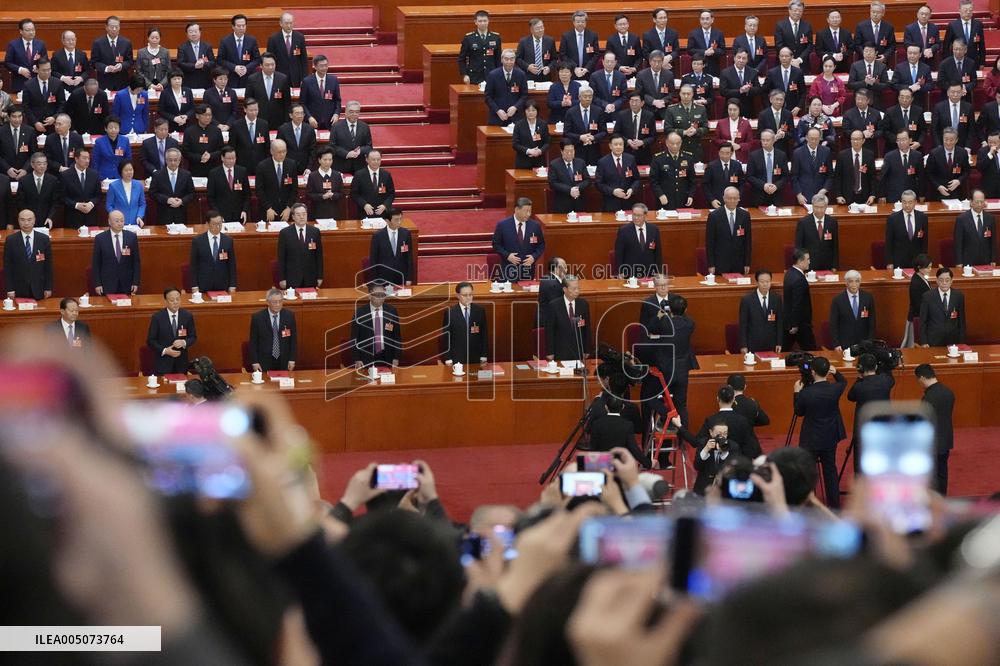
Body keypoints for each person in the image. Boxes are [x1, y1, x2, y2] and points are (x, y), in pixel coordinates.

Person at [793, 356, 847, 508]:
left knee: (808, 472)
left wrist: (796, 392)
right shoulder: (835, 389)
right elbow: (843, 382)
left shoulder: (806, 393)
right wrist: (836, 372)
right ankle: (834, 505)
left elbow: (799, 412)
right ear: (827, 371)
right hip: (830, 436)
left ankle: (808, 504)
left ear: (813, 372)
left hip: (811, 439)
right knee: (830, 470)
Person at [846, 353, 895, 473]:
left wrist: (859, 378)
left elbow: (850, 397)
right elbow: (890, 375)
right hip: (884, 427)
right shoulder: (886, 380)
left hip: (863, 429)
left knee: (861, 460)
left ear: (860, 368)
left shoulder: (859, 386)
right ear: (876, 367)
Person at [915, 363, 955, 494]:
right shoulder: (948, 392)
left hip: (932, 442)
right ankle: (941, 497)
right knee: (942, 472)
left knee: (931, 475)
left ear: (922, 378)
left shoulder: (928, 398)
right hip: (945, 439)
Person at [589, 395, 651, 468]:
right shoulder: (627, 425)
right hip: (620, 465)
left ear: (606, 407)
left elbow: (593, 448)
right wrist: (648, 463)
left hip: (601, 464)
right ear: (622, 407)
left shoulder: (596, 424)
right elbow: (634, 449)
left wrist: (592, 466)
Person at [3, 208, 52, 300]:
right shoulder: (11, 240)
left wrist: (48, 287)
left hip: (39, 288)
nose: (26, 223)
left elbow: (48, 266)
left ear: (34, 220)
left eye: (29, 220)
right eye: (22, 220)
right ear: (18, 221)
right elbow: (8, 267)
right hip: (18, 289)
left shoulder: (44, 239)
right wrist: (10, 289)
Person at [491, 197, 544, 282]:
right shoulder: (503, 225)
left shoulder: (535, 226)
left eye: (530, 211)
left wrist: (534, 257)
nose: (528, 214)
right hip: (508, 270)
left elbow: (541, 245)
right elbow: (496, 244)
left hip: (527, 271)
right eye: (526, 211)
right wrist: (507, 255)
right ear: (516, 209)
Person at [147, 287, 197, 375]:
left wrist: (184, 342)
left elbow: (193, 337)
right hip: (163, 364)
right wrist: (165, 350)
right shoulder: (157, 317)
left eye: (178, 299)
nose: (175, 302)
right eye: (172, 300)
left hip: (181, 364)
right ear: (166, 301)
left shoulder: (187, 316)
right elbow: (151, 341)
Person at [352, 282, 401, 369]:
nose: (381, 298)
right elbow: (354, 338)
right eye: (377, 295)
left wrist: (396, 357)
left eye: (383, 295)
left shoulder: (391, 311)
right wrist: (357, 359)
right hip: (366, 357)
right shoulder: (360, 313)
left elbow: (397, 336)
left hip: (387, 356)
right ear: (369, 296)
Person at [91, 210, 140, 295]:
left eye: (122, 220)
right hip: (107, 283)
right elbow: (96, 263)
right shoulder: (100, 238)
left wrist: (135, 282)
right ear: (109, 222)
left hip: (127, 283)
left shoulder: (131, 237)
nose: (120, 223)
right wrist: (97, 284)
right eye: (117, 221)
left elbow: (136, 262)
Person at [705, 186, 751, 275]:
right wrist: (711, 265)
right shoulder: (714, 216)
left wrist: (747, 263)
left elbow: (747, 241)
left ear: (739, 199)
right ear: (724, 198)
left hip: (739, 263)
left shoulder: (745, 215)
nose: (732, 201)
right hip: (720, 263)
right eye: (729, 198)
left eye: (735, 198)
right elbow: (709, 243)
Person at [249, 288, 297, 373]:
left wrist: (292, 359)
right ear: (268, 302)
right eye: (274, 302)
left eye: (280, 301)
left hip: (284, 361)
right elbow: (253, 342)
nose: (278, 304)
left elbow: (293, 340)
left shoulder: (289, 316)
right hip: (264, 361)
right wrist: (255, 361)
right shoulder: (257, 318)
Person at [277, 203, 324, 289]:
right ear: (293, 217)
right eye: (298, 215)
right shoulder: (285, 233)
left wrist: (320, 276)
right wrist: (282, 278)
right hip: (292, 278)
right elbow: (282, 258)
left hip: (310, 278)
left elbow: (319, 256)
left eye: (304, 214)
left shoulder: (315, 232)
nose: (302, 217)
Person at [545, 274, 590, 362]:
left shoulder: (583, 305)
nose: (577, 291)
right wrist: (550, 352)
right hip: (560, 351)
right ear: (565, 289)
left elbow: (586, 329)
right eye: (574, 289)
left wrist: (586, 350)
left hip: (578, 351)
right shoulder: (554, 305)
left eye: (578, 288)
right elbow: (550, 331)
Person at [190, 210, 237, 294]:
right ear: (207, 224)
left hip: (223, 284)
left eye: (220, 224)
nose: (218, 226)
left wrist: (232, 285)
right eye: (214, 224)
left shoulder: (228, 241)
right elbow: (194, 265)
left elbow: (231, 265)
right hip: (203, 284)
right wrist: (194, 286)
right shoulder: (198, 241)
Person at [443, 281, 488, 367]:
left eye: (470, 294)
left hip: (475, 356)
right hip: (457, 357)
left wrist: (484, 356)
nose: (468, 298)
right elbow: (446, 338)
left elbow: (484, 335)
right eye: (465, 295)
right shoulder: (450, 313)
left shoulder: (479, 311)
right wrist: (448, 358)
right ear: (458, 296)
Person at [830, 270, 876, 351]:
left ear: (860, 282)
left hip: (864, 344)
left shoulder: (868, 298)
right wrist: (836, 344)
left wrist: (870, 341)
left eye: (857, 281)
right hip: (845, 344)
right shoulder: (838, 300)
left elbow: (872, 322)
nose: (854, 285)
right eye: (851, 281)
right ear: (846, 283)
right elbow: (834, 324)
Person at [739, 270, 783, 354]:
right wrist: (743, 345)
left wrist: (779, 343)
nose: (765, 284)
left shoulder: (776, 299)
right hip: (752, 344)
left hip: (771, 344)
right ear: (757, 282)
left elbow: (779, 322)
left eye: (768, 281)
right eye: (762, 282)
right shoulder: (747, 300)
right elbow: (743, 325)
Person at [649, 131, 695, 210]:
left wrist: (691, 195)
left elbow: (692, 180)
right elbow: (653, 180)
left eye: (678, 143)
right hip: (665, 199)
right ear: (667, 143)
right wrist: (660, 194)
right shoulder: (658, 159)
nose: (675, 146)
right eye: (672, 143)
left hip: (683, 199)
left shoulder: (688, 157)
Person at [149, 148, 195, 226]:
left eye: (175, 160)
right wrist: (167, 200)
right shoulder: (157, 175)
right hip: (163, 215)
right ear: (166, 160)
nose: (173, 163)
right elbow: (152, 193)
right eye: (170, 160)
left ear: (179, 161)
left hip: (180, 215)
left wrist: (182, 201)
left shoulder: (186, 175)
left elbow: (192, 193)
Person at [920, 267, 965, 346]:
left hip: (953, 341)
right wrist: (924, 341)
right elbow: (923, 321)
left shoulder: (958, 296)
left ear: (951, 281)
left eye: (947, 280)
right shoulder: (928, 297)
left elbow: (961, 321)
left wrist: (962, 342)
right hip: (933, 340)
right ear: (937, 280)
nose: (944, 283)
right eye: (941, 280)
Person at [614, 203, 661, 278]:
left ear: (645, 216)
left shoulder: (654, 229)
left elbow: (658, 252)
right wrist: (621, 272)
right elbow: (619, 253)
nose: (636, 218)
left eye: (639, 215)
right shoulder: (624, 230)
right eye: (634, 215)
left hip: (649, 272)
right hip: (630, 272)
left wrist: (658, 271)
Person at [246, 53, 291, 131]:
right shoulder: (252, 79)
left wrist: (286, 122)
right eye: (267, 65)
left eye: (272, 64)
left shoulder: (283, 79)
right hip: (259, 119)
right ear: (261, 65)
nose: (270, 67)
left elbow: (287, 102)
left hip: (278, 120)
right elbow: (248, 100)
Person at [369, 207, 413, 286]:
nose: (399, 222)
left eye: (400, 219)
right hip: (383, 278)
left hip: (401, 277)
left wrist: (409, 278)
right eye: (396, 220)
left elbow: (409, 257)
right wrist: (375, 281)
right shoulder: (378, 236)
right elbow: (373, 259)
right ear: (387, 221)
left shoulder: (406, 234)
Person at [256, 139, 298, 223]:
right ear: (271, 151)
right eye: (279, 152)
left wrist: (289, 208)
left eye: (284, 151)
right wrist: (268, 208)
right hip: (268, 211)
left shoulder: (291, 164)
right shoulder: (262, 166)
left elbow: (294, 189)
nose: (282, 154)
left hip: (285, 211)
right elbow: (259, 190)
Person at [794, 193, 839, 270]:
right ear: (812, 206)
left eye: (822, 207)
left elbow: (835, 246)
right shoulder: (803, 223)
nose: (819, 210)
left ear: (826, 207)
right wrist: (802, 266)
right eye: (816, 207)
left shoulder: (832, 222)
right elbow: (799, 247)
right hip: (809, 266)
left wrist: (835, 266)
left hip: (827, 266)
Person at [562, 88, 606, 166]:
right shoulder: (571, 112)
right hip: (578, 149)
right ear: (579, 97)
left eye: (590, 96)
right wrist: (580, 137)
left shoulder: (598, 111)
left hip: (593, 150)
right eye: (585, 96)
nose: (588, 99)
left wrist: (594, 137)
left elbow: (604, 131)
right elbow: (566, 133)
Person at [595, 135, 639, 212]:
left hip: (628, 202)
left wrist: (632, 189)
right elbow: (599, 184)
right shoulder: (602, 162)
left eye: (621, 144)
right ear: (610, 146)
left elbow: (637, 179)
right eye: (616, 144)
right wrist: (613, 191)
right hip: (611, 203)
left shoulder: (631, 159)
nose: (618, 147)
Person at [207, 146, 251, 223]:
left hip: (239, 215)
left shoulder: (242, 171)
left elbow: (247, 194)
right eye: (229, 158)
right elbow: (211, 197)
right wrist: (218, 215)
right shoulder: (214, 173)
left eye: (233, 158)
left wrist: (244, 210)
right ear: (222, 158)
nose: (231, 161)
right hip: (222, 215)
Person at [692, 423, 740, 494]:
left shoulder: (733, 446)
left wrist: (724, 453)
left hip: (724, 488)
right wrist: (705, 450)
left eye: (725, 434)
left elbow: (734, 470)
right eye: (719, 434)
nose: (722, 437)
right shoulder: (703, 443)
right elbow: (697, 466)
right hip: (703, 487)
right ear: (711, 432)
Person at [59, 147, 101, 228]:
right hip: (73, 217)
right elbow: (62, 197)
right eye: (84, 158)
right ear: (76, 159)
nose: (87, 161)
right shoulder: (65, 175)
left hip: (90, 217)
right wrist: (77, 205)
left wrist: (91, 204)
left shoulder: (94, 174)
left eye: (88, 158)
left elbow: (98, 195)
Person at [217, 14, 261, 89]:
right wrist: (234, 67)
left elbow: (257, 59)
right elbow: (220, 60)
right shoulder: (225, 41)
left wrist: (246, 68)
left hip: (247, 78)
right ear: (233, 26)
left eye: (243, 26)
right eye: (239, 26)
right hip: (231, 78)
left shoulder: (252, 40)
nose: (241, 28)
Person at [484, 50, 528, 126]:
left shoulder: (521, 75)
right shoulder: (493, 75)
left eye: (511, 59)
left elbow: (524, 95)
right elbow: (487, 97)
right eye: (506, 59)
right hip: (497, 118)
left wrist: (515, 107)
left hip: (516, 118)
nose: (509, 62)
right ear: (501, 60)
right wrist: (497, 110)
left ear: (515, 60)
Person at [791, 128, 833, 206]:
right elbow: (794, 177)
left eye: (816, 139)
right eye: (811, 139)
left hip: (821, 195)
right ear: (806, 138)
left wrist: (824, 190)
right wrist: (799, 194)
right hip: (803, 196)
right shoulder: (798, 153)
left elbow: (830, 175)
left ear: (820, 138)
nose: (814, 141)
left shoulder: (826, 151)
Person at [665, 85, 708, 161]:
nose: (686, 96)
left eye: (688, 94)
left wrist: (696, 131)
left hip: (695, 148)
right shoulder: (671, 109)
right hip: (678, 148)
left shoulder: (701, 108)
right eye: (683, 93)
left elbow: (706, 128)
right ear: (679, 94)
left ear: (692, 94)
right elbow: (667, 129)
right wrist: (684, 132)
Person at [458, 10, 501, 85]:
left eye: (485, 21)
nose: (483, 23)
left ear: (488, 21)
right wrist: (465, 74)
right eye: (480, 21)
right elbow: (461, 59)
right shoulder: (469, 38)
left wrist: (499, 73)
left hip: (491, 75)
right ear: (475, 22)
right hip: (474, 75)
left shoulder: (496, 37)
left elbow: (498, 58)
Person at [91, 16, 133, 91]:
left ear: (119, 27)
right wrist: (106, 68)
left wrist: (121, 66)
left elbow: (130, 61)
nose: (114, 29)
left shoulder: (126, 43)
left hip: (121, 82)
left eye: (116, 27)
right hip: (105, 82)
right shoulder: (98, 43)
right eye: (112, 27)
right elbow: (94, 63)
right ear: (106, 27)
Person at [880, 131, 925, 204]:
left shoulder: (917, 156)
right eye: (898, 140)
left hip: (911, 197)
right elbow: (883, 177)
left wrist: (921, 195)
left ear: (910, 140)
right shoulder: (889, 156)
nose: (901, 142)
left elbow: (921, 177)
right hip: (893, 197)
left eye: (903, 139)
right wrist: (882, 195)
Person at [4, 19, 47, 94]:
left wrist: (39, 67)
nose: (31, 32)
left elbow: (45, 61)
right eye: (28, 30)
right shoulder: (13, 45)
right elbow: (7, 62)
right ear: (21, 31)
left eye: (33, 30)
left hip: (37, 82)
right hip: (19, 83)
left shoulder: (41, 44)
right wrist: (20, 70)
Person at [953, 190, 995, 267]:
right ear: (971, 202)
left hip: (986, 261)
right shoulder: (962, 219)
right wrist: (959, 262)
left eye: (982, 202)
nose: (979, 204)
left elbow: (993, 241)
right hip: (968, 262)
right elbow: (958, 243)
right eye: (977, 202)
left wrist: (993, 260)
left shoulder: (990, 218)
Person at [746, 130, 787, 207]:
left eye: (767, 140)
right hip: (759, 196)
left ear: (774, 140)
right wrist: (763, 185)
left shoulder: (781, 155)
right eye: (763, 140)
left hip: (776, 196)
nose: (765, 142)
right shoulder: (753, 156)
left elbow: (785, 176)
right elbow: (749, 176)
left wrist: (776, 186)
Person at [834, 130, 877, 205]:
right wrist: (838, 195)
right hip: (846, 197)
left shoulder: (869, 155)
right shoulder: (842, 155)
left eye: (858, 139)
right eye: (853, 139)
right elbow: (838, 177)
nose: (855, 142)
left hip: (865, 197)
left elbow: (873, 177)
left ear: (863, 141)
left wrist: (872, 195)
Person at [926, 128, 970, 201]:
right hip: (939, 193)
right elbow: (928, 173)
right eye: (946, 139)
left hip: (957, 192)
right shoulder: (934, 153)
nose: (948, 142)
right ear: (942, 139)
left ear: (956, 140)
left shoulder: (962, 153)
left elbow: (967, 171)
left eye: (951, 140)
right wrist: (938, 186)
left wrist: (959, 181)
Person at [16, 152, 58, 229]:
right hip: (28, 222)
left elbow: (55, 202)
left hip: (47, 221)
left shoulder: (53, 180)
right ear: (32, 165)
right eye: (39, 164)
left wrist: (50, 217)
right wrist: (28, 218)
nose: (42, 166)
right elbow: (21, 202)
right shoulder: (24, 181)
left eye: (44, 163)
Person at [784, 247, 815, 350]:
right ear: (800, 261)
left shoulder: (789, 273)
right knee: (811, 351)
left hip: (791, 321)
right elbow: (797, 303)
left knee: (785, 347)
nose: (809, 262)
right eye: (808, 259)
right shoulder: (799, 279)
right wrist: (795, 324)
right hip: (801, 323)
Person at [547, 140, 590, 214]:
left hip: (579, 203)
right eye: (567, 151)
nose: (570, 154)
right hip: (562, 203)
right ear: (561, 151)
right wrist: (569, 190)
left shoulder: (580, 163)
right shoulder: (554, 164)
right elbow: (552, 183)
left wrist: (577, 188)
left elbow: (587, 180)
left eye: (572, 151)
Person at [21, 59, 62, 136]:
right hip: (34, 126)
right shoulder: (28, 85)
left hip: (53, 125)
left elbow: (62, 104)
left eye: (49, 70)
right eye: (44, 70)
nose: (47, 72)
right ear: (37, 70)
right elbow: (25, 106)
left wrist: (54, 117)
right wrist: (35, 122)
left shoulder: (57, 83)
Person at [330, 100, 372, 175]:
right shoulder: (336, 127)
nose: (354, 114)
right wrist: (347, 153)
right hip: (341, 165)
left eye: (357, 112)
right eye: (351, 112)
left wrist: (360, 151)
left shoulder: (365, 127)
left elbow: (369, 146)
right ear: (345, 112)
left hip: (359, 166)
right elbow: (332, 146)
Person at [300, 55, 341, 130]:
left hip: (330, 121)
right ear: (315, 67)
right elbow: (302, 103)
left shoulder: (334, 80)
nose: (324, 68)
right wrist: (309, 117)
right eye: (321, 66)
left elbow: (337, 100)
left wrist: (336, 114)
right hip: (313, 121)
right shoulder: (307, 81)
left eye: (326, 65)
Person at [182, 105, 224, 178]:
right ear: (197, 116)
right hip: (195, 169)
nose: (208, 117)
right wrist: (199, 157)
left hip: (213, 169)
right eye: (205, 115)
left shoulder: (216, 131)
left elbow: (221, 150)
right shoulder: (189, 131)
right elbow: (185, 152)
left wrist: (210, 156)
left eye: (209, 115)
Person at [230, 98, 270, 173]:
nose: (254, 113)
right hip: (242, 165)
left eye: (256, 110)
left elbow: (267, 147)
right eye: (251, 110)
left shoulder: (264, 124)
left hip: (260, 164)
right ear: (245, 110)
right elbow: (232, 147)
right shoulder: (236, 125)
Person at [352, 150, 395, 218]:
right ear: (367, 160)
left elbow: (391, 194)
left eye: (378, 159)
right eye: (373, 159)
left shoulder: (386, 175)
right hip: (365, 213)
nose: (376, 162)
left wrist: (385, 205)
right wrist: (364, 205)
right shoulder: (359, 175)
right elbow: (354, 194)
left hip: (382, 213)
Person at [559, 10, 600, 80]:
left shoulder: (593, 35)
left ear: (586, 22)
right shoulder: (566, 36)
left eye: (582, 21)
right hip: (572, 72)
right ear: (573, 22)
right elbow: (563, 54)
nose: (580, 24)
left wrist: (587, 68)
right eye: (578, 22)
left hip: (588, 72)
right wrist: (574, 67)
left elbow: (596, 54)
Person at [720, 49, 761, 119]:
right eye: (739, 57)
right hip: (732, 110)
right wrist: (740, 91)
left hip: (748, 110)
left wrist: (748, 90)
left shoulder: (753, 72)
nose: (741, 60)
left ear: (747, 60)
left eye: (744, 58)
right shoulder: (725, 73)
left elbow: (758, 89)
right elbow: (723, 92)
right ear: (734, 58)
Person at [278, 104, 317, 175]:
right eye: (297, 113)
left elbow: (313, 150)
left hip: (305, 168)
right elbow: (279, 150)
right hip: (287, 167)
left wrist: (309, 168)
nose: (300, 116)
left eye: (302, 113)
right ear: (290, 115)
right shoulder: (283, 129)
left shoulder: (310, 129)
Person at [703, 142, 745, 209]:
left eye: (727, 153)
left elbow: (741, 183)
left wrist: (737, 197)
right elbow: (706, 185)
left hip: (733, 201)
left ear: (731, 153)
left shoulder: (737, 165)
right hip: (717, 202)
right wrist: (712, 200)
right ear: (718, 152)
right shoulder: (711, 166)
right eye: (722, 153)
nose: (724, 155)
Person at [903, 253, 933, 347]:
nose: (930, 269)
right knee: (912, 344)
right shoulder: (916, 282)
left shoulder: (922, 278)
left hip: (921, 316)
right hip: (917, 317)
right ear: (919, 267)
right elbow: (918, 304)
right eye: (928, 267)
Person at [775, 1, 813, 72]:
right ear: (789, 10)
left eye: (800, 11)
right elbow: (779, 45)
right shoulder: (780, 25)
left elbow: (809, 45)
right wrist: (790, 60)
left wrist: (799, 60)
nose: (797, 13)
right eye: (795, 10)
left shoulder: (807, 26)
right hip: (784, 63)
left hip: (802, 64)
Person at [306, 147, 343, 220]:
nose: (328, 162)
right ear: (319, 160)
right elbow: (309, 195)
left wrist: (333, 195)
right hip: (317, 213)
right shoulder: (313, 176)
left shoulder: (337, 175)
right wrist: (322, 196)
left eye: (330, 160)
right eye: (325, 160)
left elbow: (341, 193)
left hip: (334, 213)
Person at [105, 161, 146, 227]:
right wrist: (116, 218)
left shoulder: (139, 185)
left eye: (131, 170)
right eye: (126, 170)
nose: (129, 172)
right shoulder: (113, 186)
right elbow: (109, 205)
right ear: (121, 171)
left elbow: (142, 204)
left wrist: (139, 216)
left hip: (135, 222)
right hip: (118, 223)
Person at [516, 18, 557, 83]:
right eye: (537, 28)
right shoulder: (523, 42)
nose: (540, 30)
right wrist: (528, 67)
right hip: (529, 76)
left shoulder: (550, 41)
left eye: (542, 27)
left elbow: (555, 59)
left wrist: (549, 68)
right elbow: (518, 59)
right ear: (531, 30)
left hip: (545, 76)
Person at [177, 22, 216, 90]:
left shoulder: (207, 46)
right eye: (190, 32)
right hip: (189, 82)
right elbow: (180, 64)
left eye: (195, 31)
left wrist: (203, 64)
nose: (193, 34)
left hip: (205, 82)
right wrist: (194, 66)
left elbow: (213, 63)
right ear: (187, 34)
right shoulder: (182, 47)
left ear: (200, 32)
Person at [842, 89, 882, 155]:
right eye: (858, 99)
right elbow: (846, 131)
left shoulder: (876, 113)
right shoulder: (848, 114)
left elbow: (880, 130)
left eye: (862, 99)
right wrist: (861, 134)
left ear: (868, 100)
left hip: (871, 148)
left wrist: (872, 135)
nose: (859, 101)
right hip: (854, 148)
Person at [686, 9, 726, 76]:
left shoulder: (719, 33)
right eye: (702, 19)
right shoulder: (693, 33)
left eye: (707, 19)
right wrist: (704, 52)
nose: (705, 21)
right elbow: (690, 50)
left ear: (712, 20)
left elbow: (723, 50)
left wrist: (714, 51)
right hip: (698, 68)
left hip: (714, 68)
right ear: (700, 20)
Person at [512, 99, 549, 169]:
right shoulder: (519, 125)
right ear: (524, 111)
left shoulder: (543, 124)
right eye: (528, 110)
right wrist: (529, 151)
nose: (531, 113)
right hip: (523, 162)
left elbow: (547, 143)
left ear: (537, 111)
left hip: (539, 162)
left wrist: (540, 151)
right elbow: (515, 144)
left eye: (533, 110)